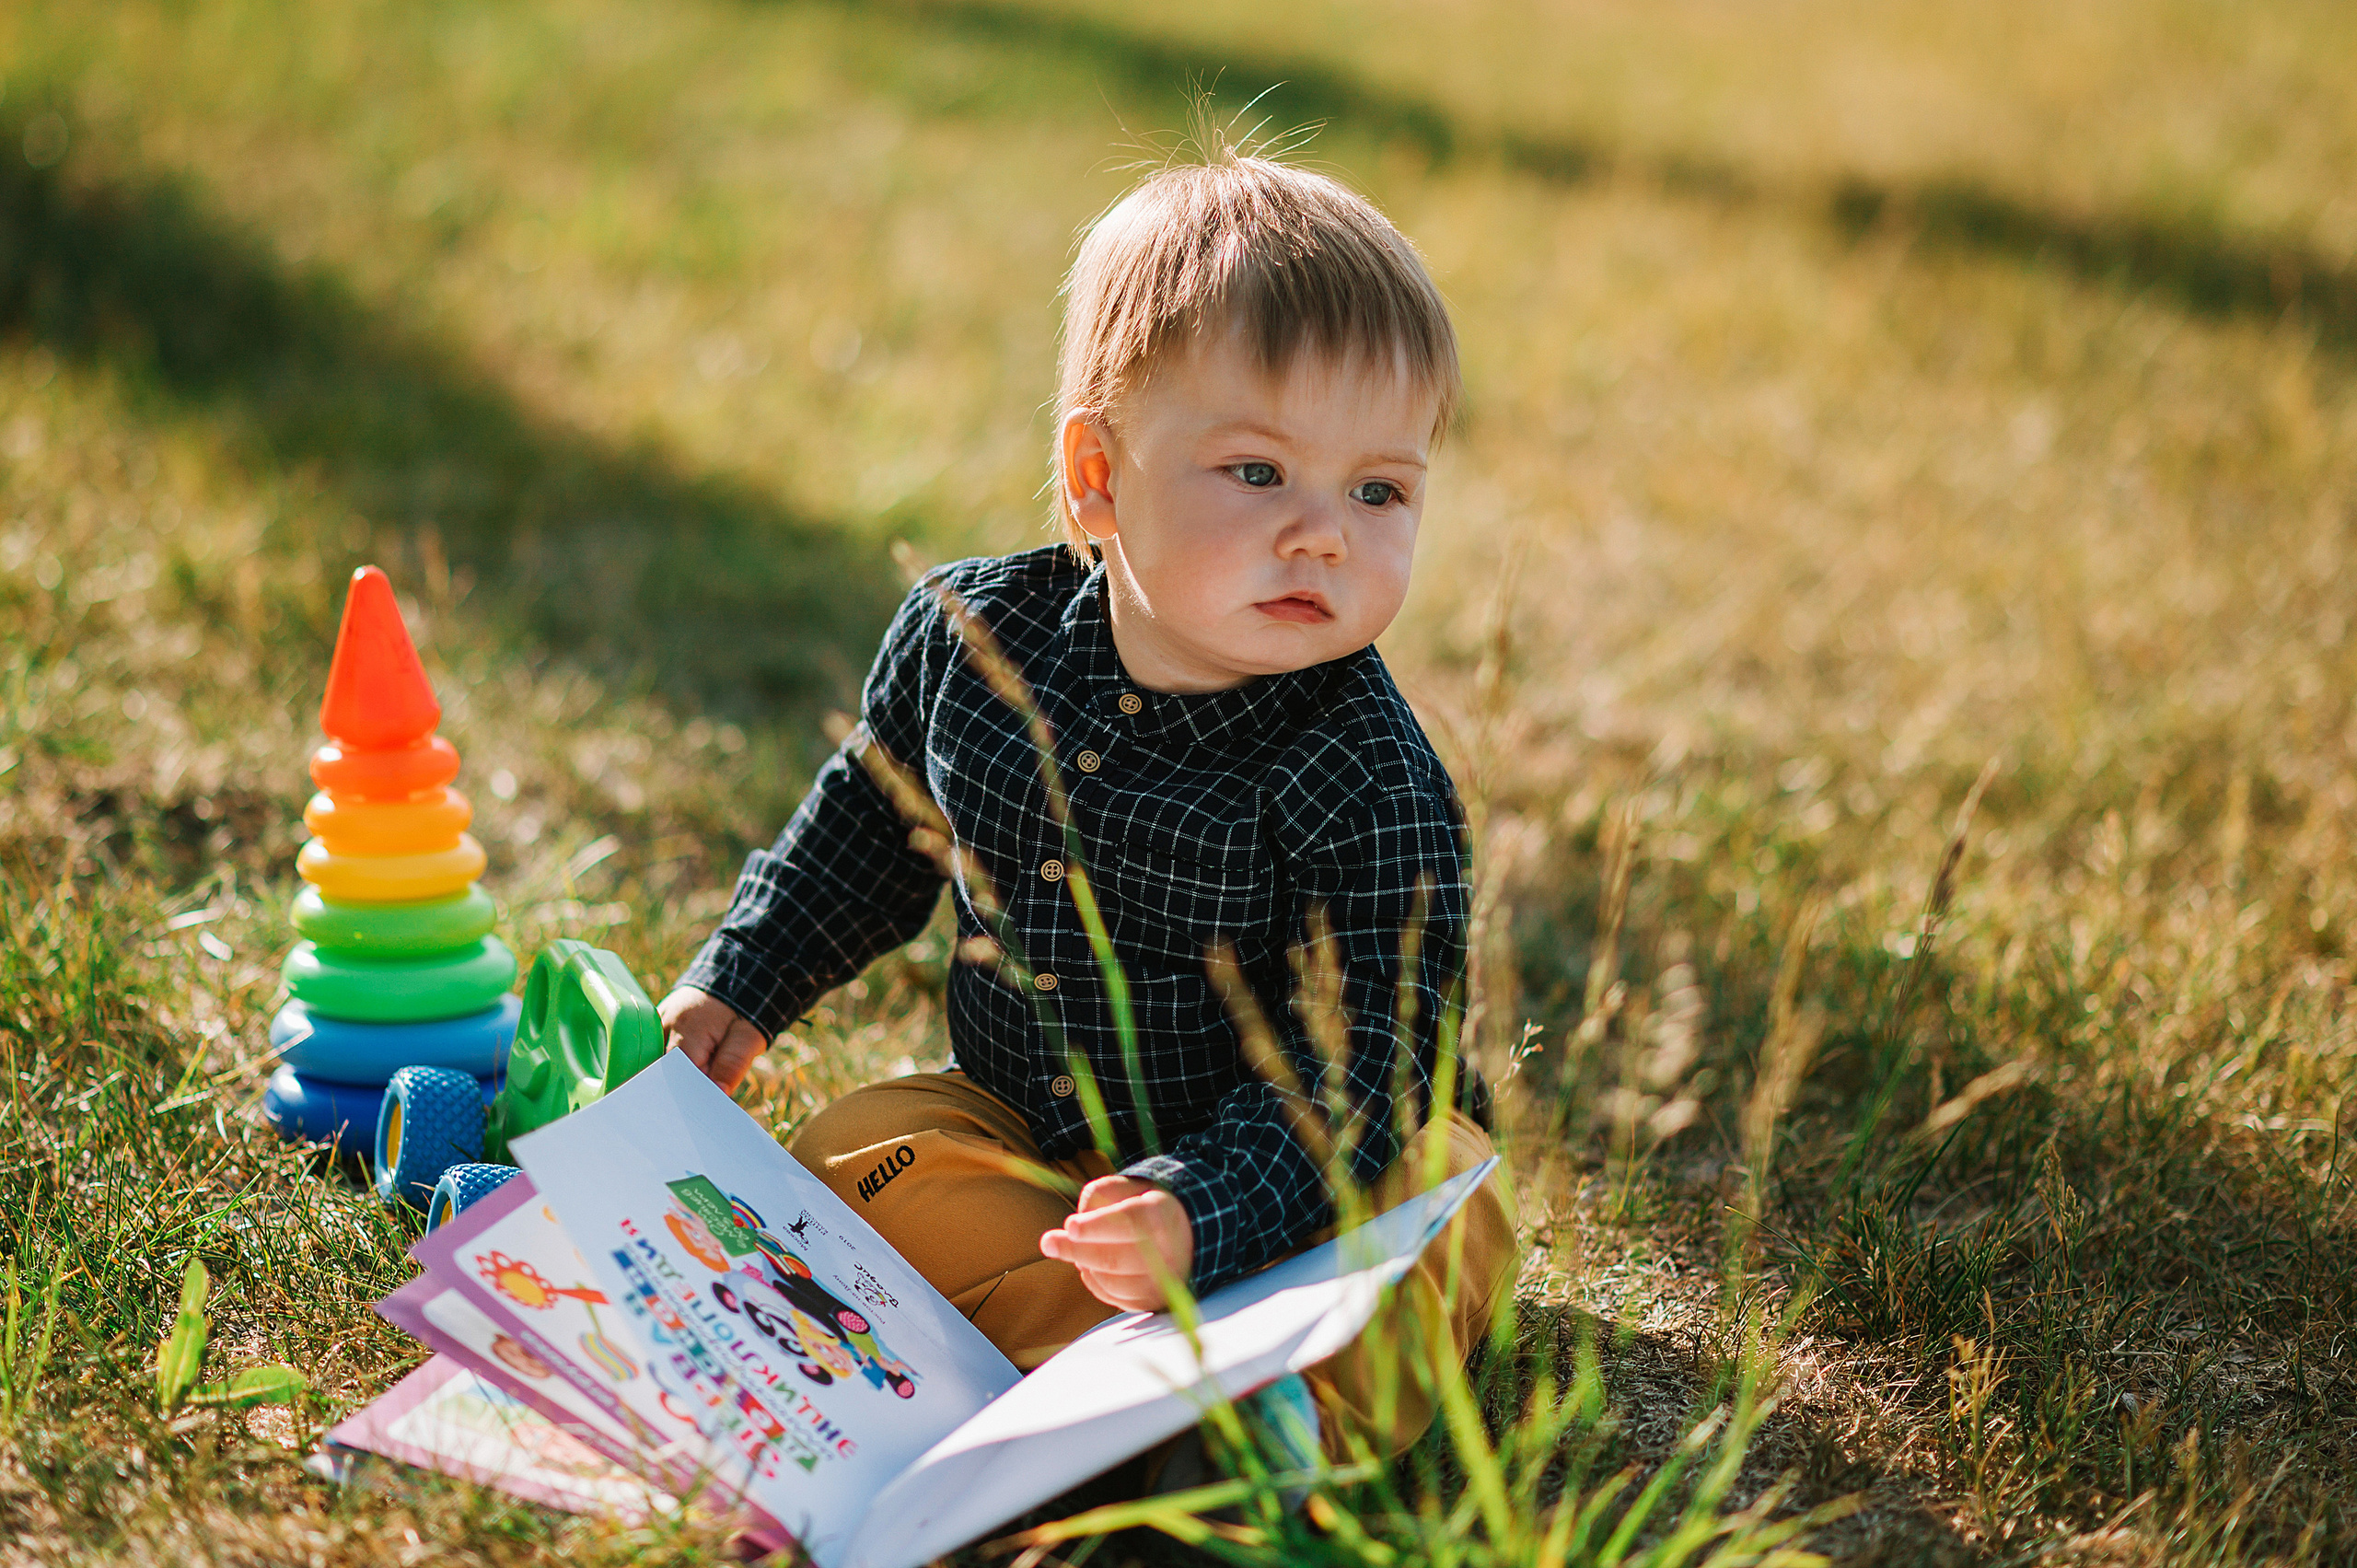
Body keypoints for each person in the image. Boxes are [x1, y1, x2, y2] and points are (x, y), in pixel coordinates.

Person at [658, 140, 1517, 1475]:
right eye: (1257, 473)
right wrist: (744, 984)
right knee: (858, 1149)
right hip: (1042, 1161)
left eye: (1380, 489)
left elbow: (1368, 1065)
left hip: (1306, 1195)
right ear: (1098, 477)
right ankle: (1137, 1381)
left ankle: (1280, 1431)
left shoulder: (1365, 770)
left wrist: (1209, 1208)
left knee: (1448, 1197)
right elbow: (868, 831)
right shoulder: (971, 638)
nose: (1325, 534)